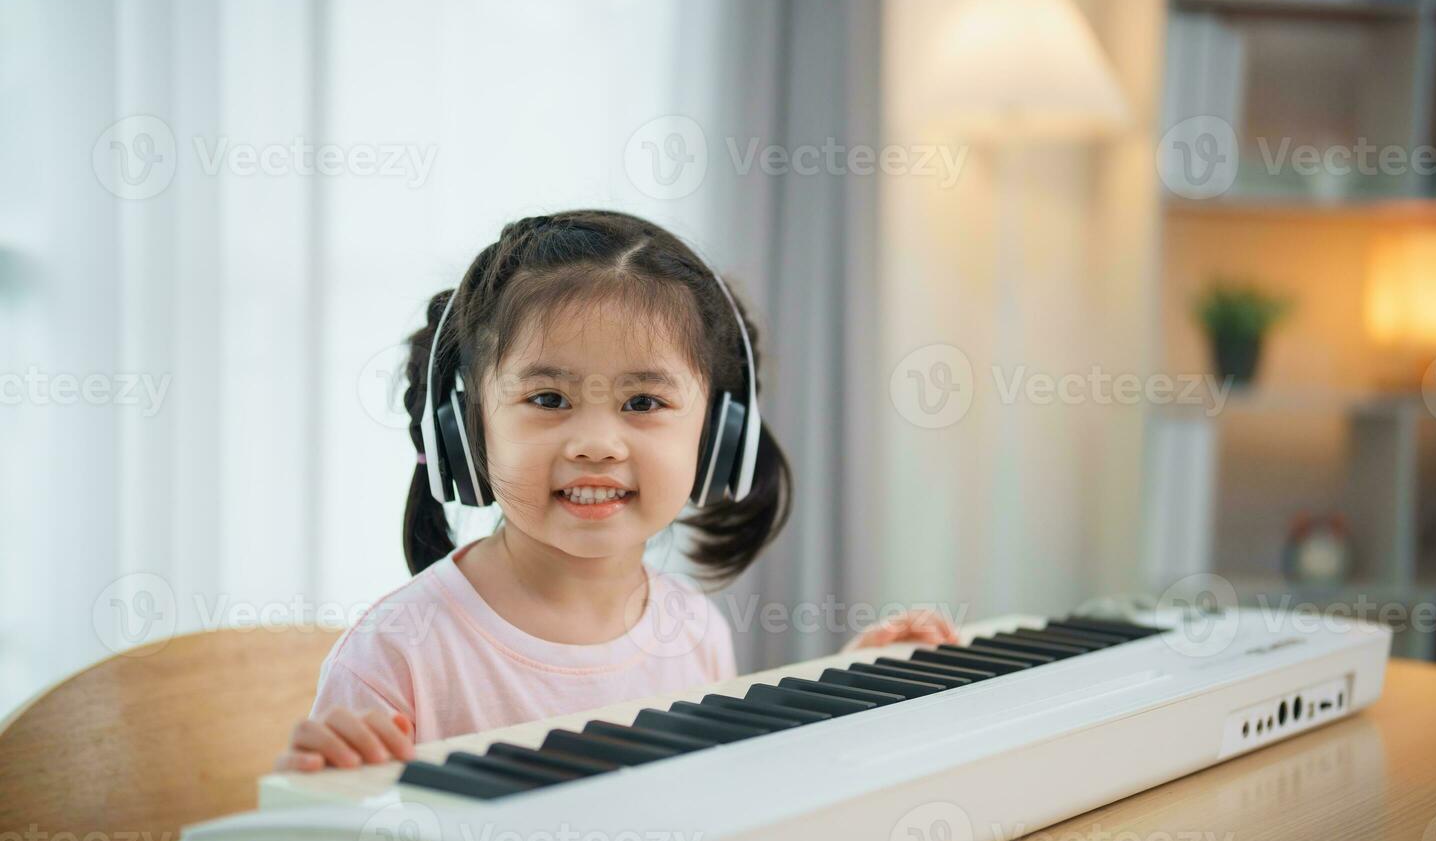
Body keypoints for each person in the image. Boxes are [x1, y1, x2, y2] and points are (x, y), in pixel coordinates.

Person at [275, 210, 957, 772]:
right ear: (463, 429)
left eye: (643, 402)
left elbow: (707, 806)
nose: (596, 442)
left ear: (719, 435)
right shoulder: (398, 652)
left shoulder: (693, 634)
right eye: (548, 397)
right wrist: (316, 794)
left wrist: (843, 694)